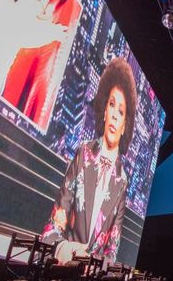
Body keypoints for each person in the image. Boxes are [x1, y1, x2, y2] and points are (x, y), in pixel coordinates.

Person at [42, 57, 137, 265]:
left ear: (124, 124)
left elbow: (113, 246)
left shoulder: (122, 180)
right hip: (63, 270)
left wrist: (96, 267)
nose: (114, 115)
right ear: (104, 112)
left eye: (121, 112)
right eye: (111, 105)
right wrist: (65, 249)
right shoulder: (84, 153)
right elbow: (54, 225)